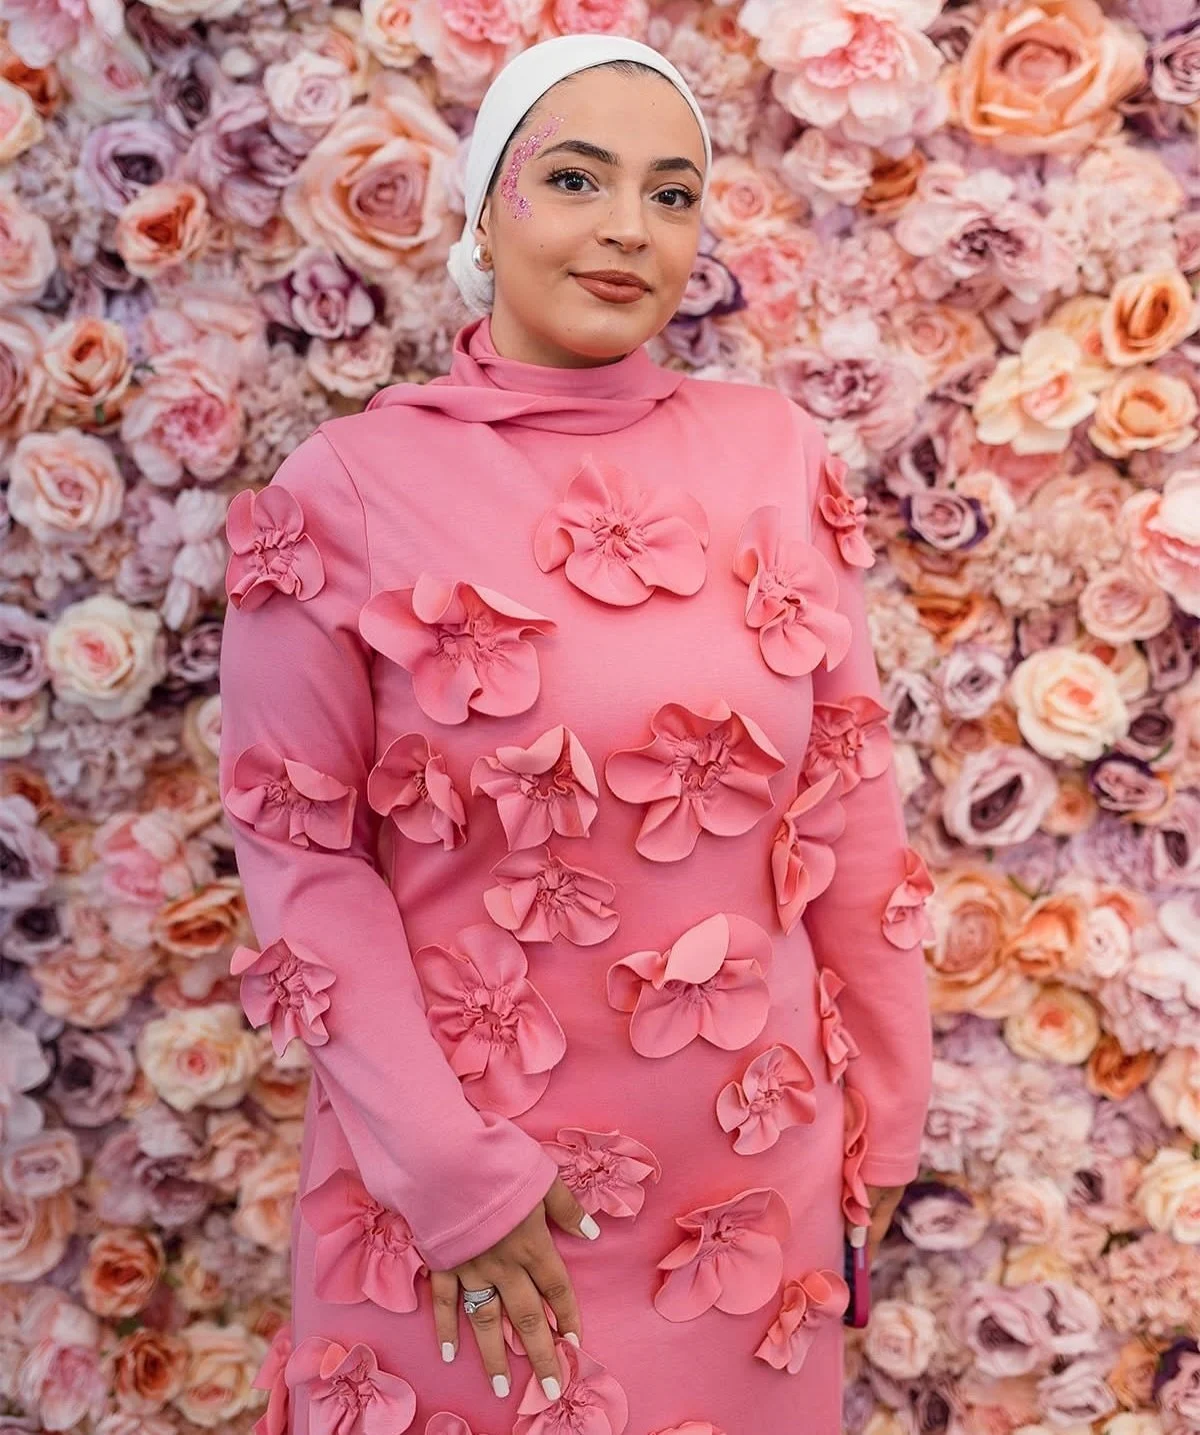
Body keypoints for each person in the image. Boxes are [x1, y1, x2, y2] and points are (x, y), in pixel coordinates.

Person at [218, 32, 933, 1435]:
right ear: (489, 207)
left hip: (748, 1182)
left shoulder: (774, 455)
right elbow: (304, 870)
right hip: (463, 1204)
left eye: (672, 194)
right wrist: (453, 1179)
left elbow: (851, 809)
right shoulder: (346, 490)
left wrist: (887, 1115)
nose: (628, 229)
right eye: (578, 177)